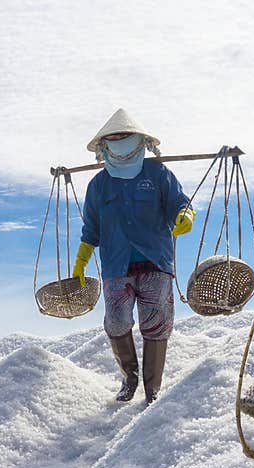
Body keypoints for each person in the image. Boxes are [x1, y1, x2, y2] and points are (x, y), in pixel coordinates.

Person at [72, 109, 195, 405]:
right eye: (112, 138)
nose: (119, 142)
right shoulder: (99, 185)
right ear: (104, 146)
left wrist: (185, 214)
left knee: (156, 324)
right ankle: (130, 378)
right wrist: (81, 261)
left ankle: (152, 391)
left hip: (155, 262)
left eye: (124, 136)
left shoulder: (158, 174)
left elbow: (180, 202)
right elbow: (91, 228)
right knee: (116, 322)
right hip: (117, 265)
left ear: (139, 140)